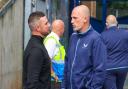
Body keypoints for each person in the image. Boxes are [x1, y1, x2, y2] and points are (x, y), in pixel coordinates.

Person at [63, 5, 107, 89]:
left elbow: (100, 70)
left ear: (85, 19)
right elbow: (67, 63)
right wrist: (63, 86)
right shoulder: (73, 37)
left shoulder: (96, 39)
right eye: (71, 18)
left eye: (75, 18)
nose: (72, 21)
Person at [23, 11, 51, 89]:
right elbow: (32, 84)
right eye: (46, 23)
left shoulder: (37, 44)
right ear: (38, 28)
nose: (49, 25)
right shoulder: (36, 50)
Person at [101, 15, 128, 89]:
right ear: (117, 23)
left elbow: (100, 53)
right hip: (123, 67)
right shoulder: (126, 33)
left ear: (106, 24)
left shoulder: (102, 36)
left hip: (108, 68)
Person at [44, 20, 66, 89]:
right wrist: (53, 74)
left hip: (57, 79)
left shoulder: (54, 39)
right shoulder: (52, 41)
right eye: (63, 28)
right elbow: (47, 59)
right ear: (61, 29)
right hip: (54, 80)